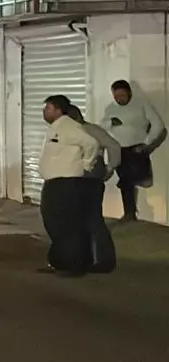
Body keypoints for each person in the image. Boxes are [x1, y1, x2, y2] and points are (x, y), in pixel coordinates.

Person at [38, 95, 99, 277]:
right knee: (53, 223)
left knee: (68, 225)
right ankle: (59, 261)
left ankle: (74, 265)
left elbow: (92, 143)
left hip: (67, 183)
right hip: (53, 183)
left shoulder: (69, 127)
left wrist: (86, 164)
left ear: (58, 110)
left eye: (48, 107)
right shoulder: (54, 128)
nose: (44, 111)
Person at [65, 104, 120, 274]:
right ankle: (86, 258)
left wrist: (111, 167)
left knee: (92, 220)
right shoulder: (80, 131)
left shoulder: (90, 131)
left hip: (88, 178)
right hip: (76, 178)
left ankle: (103, 260)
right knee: (81, 220)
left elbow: (114, 146)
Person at [101, 80, 165, 222]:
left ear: (129, 92)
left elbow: (158, 125)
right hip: (118, 150)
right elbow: (102, 125)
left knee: (140, 180)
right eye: (116, 96)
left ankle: (141, 210)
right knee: (125, 181)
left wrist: (147, 143)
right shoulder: (110, 108)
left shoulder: (141, 104)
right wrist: (111, 122)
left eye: (122, 95)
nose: (119, 99)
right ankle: (129, 212)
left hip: (136, 149)